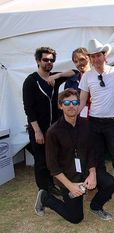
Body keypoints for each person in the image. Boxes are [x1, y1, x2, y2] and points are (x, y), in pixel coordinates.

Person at [34, 88, 114, 222]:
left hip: (85, 170)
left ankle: (95, 206)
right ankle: (45, 198)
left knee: (111, 183)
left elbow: (91, 151)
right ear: (60, 106)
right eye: (67, 103)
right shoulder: (53, 132)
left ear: (79, 104)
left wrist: (93, 173)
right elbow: (52, 166)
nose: (71, 106)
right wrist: (71, 186)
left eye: (75, 102)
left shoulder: (86, 124)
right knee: (76, 218)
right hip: (67, 176)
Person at [78, 39, 114, 217]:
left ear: (105, 55)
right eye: (93, 56)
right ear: (91, 58)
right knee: (96, 161)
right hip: (94, 123)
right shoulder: (87, 76)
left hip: (112, 123)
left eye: (99, 55)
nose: (96, 59)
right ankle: (102, 193)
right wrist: (70, 118)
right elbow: (81, 102)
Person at [22, 47, 75, 196]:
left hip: (54, 128)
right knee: (41, 161)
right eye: (45, 60)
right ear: (38, 60)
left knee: (53, 158)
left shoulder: (54, 78)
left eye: (51, 60)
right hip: (38, 128)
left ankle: (52, 185)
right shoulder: (31, 81)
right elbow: (28, 108)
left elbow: (74, 72)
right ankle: (43, 190)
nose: (49, 62)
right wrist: (37, 131)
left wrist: (57, 76)